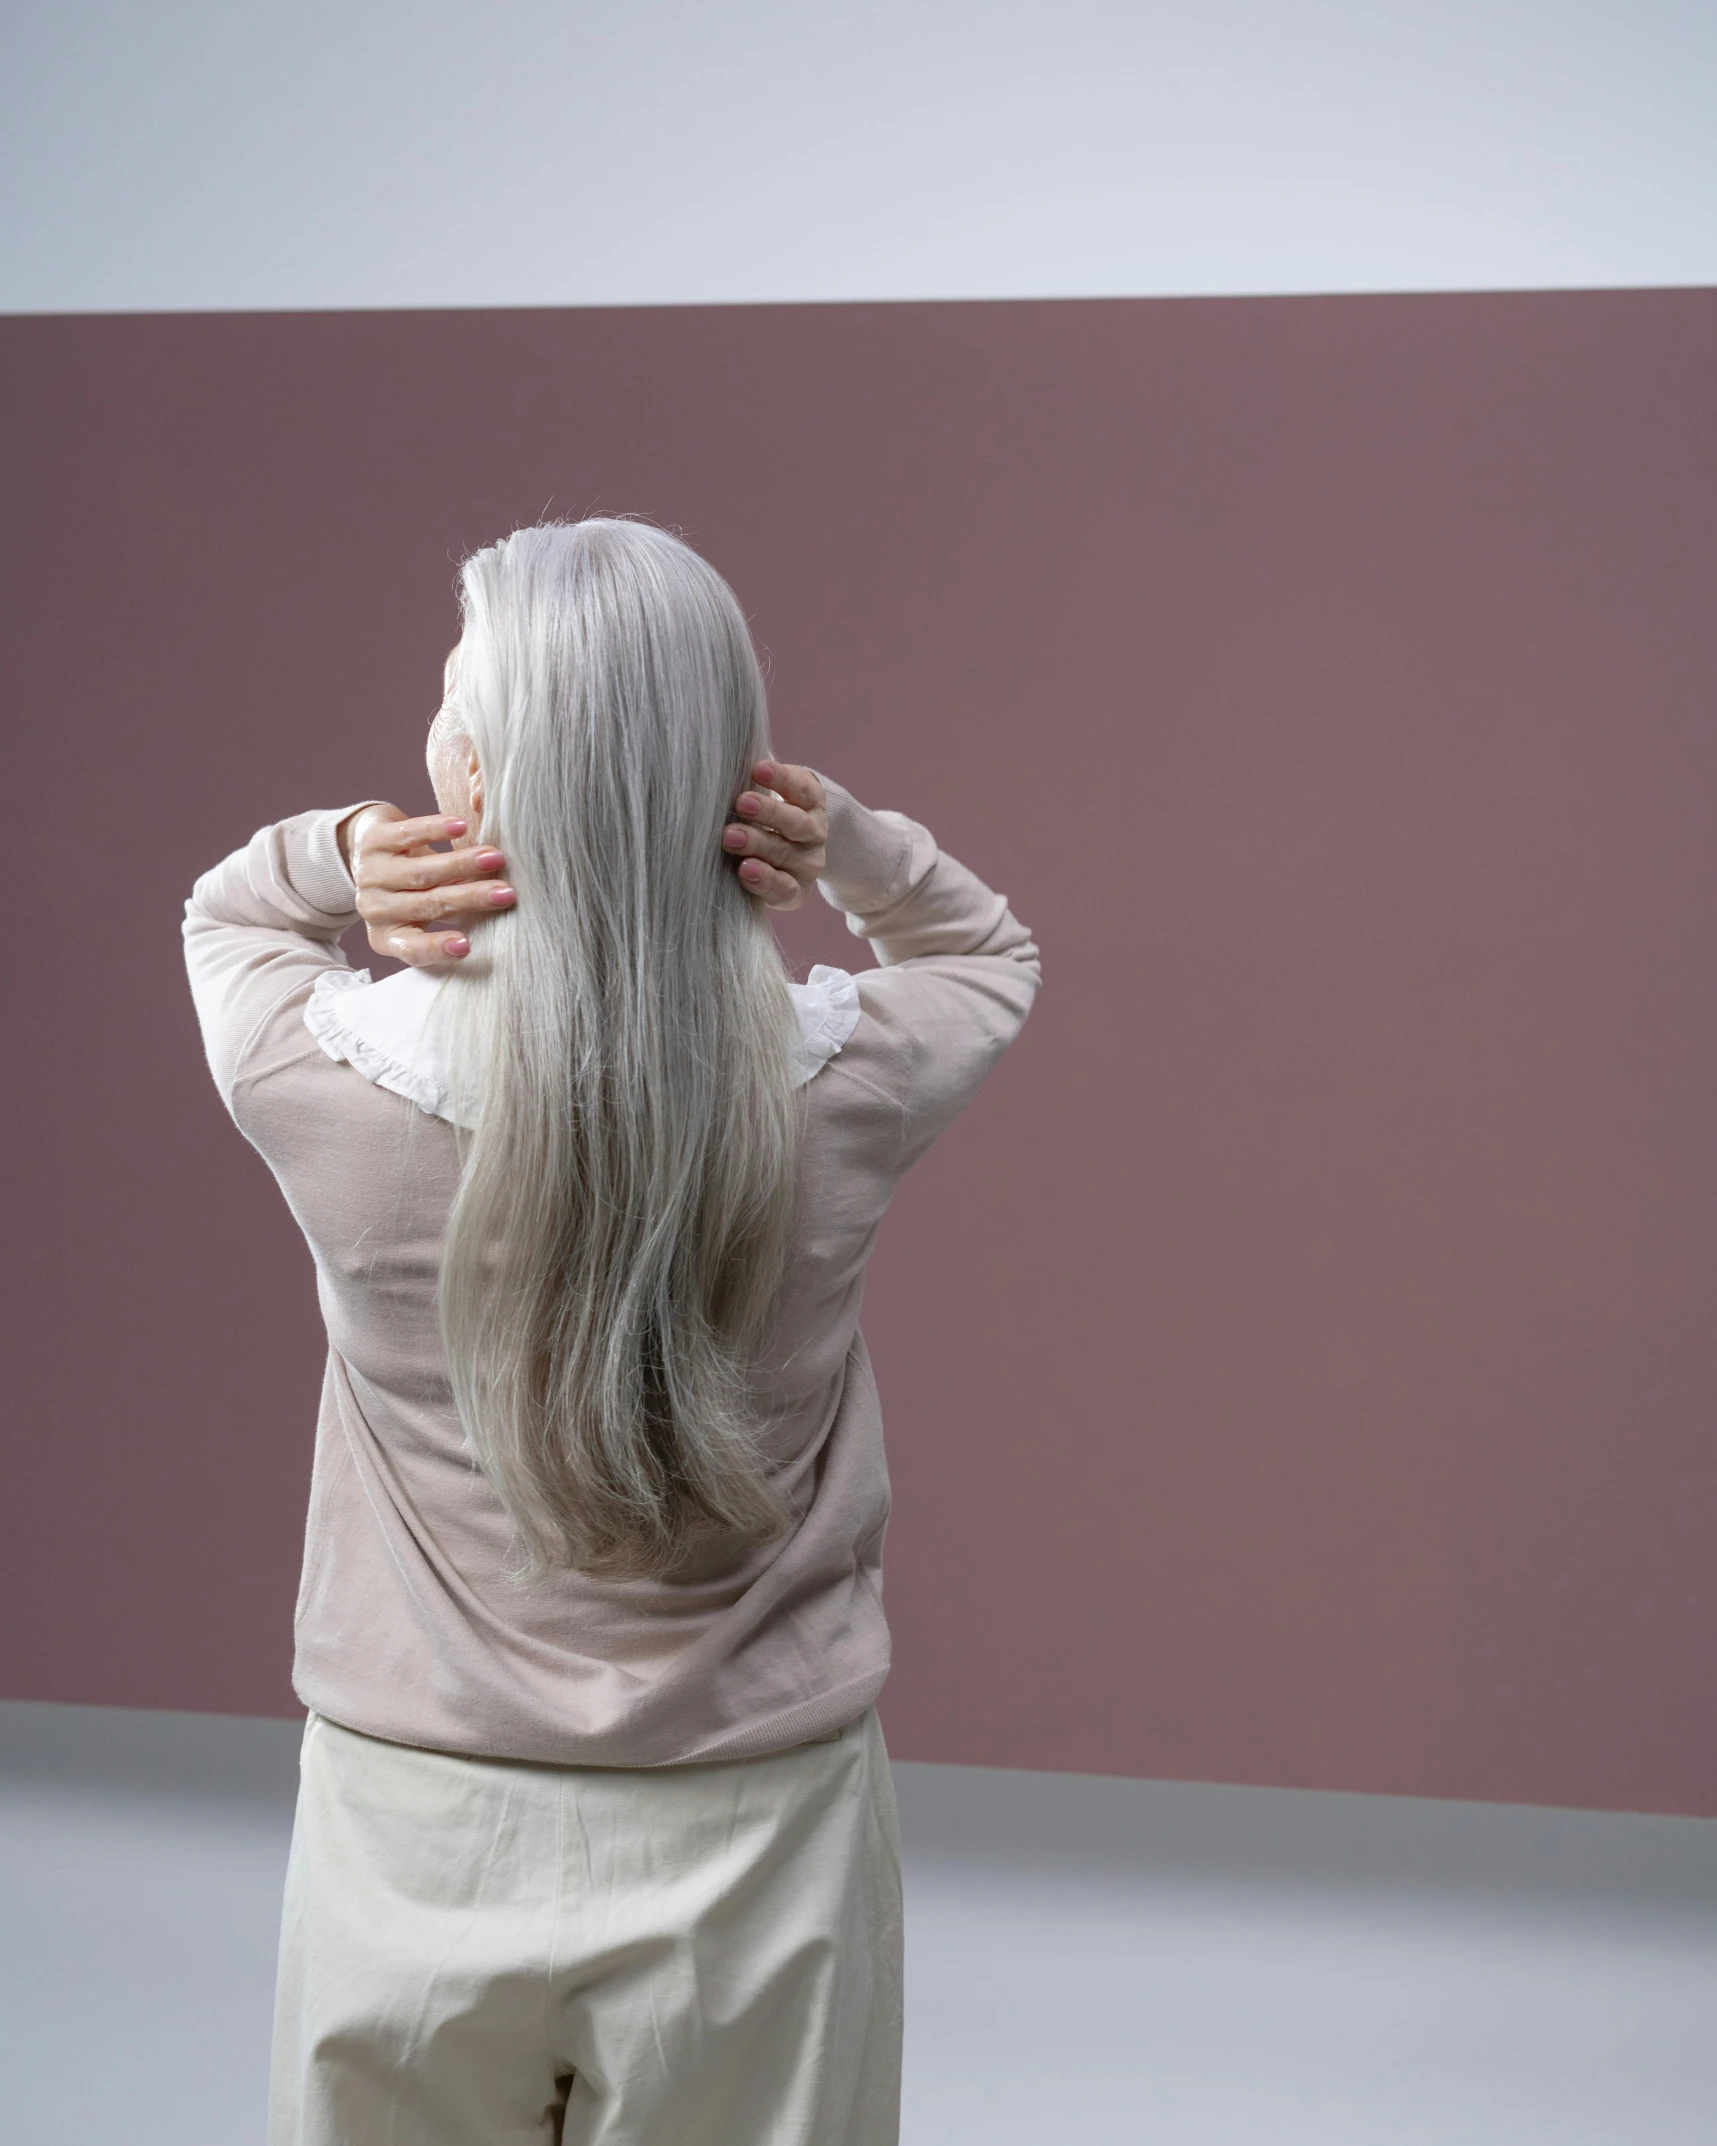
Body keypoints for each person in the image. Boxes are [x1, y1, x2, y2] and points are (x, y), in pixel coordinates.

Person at [183, 518, 1040, 2146]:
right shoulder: (844, 1090)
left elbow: (228, 918)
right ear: (731, 776)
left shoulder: (325, 1086)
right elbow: (988, 952)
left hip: (412, 1831)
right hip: (758, 1835)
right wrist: (847, 845)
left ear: (481, 778)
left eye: (450, 699)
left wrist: (336, 852)